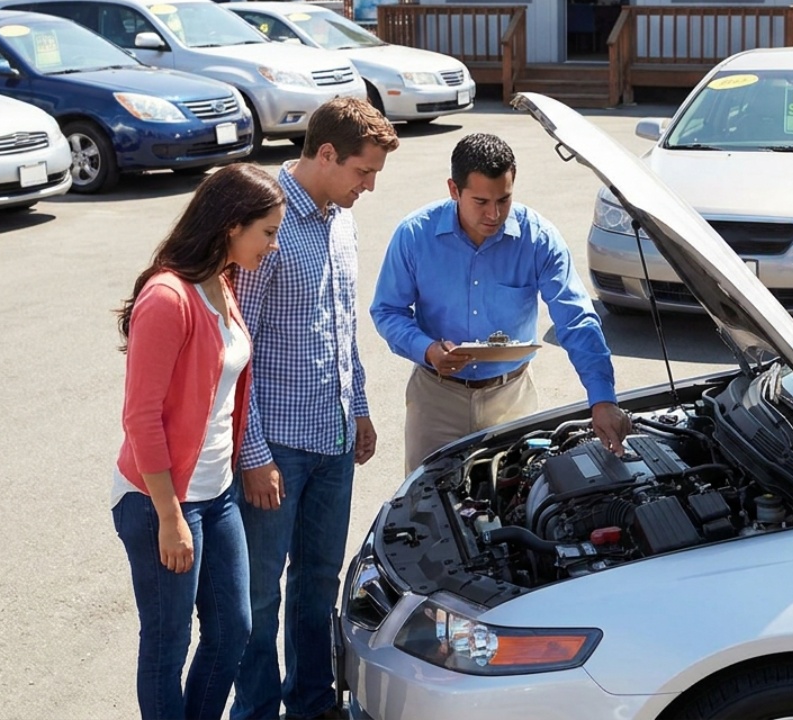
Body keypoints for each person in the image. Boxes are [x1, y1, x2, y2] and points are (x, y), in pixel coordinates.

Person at [230, 96, 398, 720]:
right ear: (325, 154)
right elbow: (236, 348)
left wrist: (359, 407)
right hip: (274, 449)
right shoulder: (265, 219)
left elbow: (341, 324)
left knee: (319, 583)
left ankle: (310, 704)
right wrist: (251, 455)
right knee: (260, 594)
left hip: (333, 442)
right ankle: (256, 712)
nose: (370, 186)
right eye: (363, 171)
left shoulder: (341, 218)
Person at [112, 163, 284, 720]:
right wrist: (169, 516)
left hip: (219, 493)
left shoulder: (222, 283)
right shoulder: (168, 297)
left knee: (232, 632)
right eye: (268, 232)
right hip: (161, 502)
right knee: (166, 647)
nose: (273, 246)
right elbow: (140, 419)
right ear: (232, 225)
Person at [371, 132, 632, 470]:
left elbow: (576, 319)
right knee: (427, 506)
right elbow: (387, 310)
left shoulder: (539, 238)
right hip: (435, 398)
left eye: (504, 200)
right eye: (481, 202)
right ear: (454, 190)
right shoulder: (414, 235)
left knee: (518, 498)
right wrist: (426, 348)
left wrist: (602, 398)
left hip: (512, 397)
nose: (494, 214)